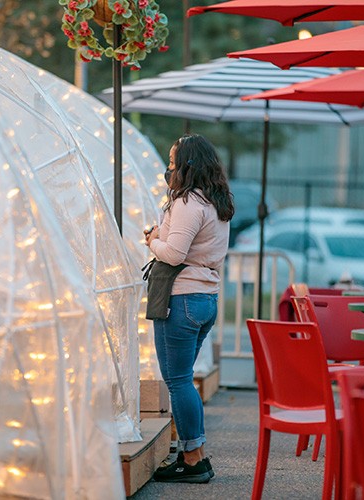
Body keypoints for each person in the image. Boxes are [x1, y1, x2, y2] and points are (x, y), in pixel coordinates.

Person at [144, 134, 233, 483]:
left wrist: (153, 240)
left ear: (188, 165)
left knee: (178, 380)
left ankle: (195, 458)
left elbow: (175, 254)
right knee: (183, 380)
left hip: (181, 298)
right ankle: (192, 455)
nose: (169, 168)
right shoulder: (217, 202)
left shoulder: (187, 202)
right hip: (205, 299)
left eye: (172, 161)